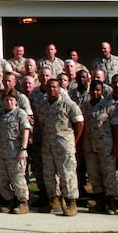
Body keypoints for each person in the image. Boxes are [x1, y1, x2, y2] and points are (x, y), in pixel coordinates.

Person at [39, 78, 84, 216]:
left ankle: (71, 202)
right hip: (48, 145)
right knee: (49, 174)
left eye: (54, 87)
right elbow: (42, 123)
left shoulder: (69, 104)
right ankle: (54, 200)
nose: (52, 89)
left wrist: (73, 141)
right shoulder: (44, 105)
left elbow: (79, 123)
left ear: (60, 89)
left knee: (67, 173)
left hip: (64, 146)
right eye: (49, 87)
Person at [80, 80, 117, 213]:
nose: (95, 92)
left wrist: (116, 146)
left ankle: (111, 203)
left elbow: (115, 127)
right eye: (93, 90)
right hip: (89, 146)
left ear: (102, 91)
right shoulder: (84, 106)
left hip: (105, 145)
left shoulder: (108, 105)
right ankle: (99, 202)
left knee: (108, 174)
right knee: (93, 174)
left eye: (98, 90)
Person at [0, 90, 31, 214]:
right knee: (1, 179)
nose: (9, 102)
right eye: (6, 100)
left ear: (16, 101)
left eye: (11, 100)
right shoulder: (0, 114)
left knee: (18, 179)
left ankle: (23, 202)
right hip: (1, 152)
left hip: (15, 152)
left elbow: (25, 131)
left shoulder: (20, 114)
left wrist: (23, 148)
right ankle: (11, 200)